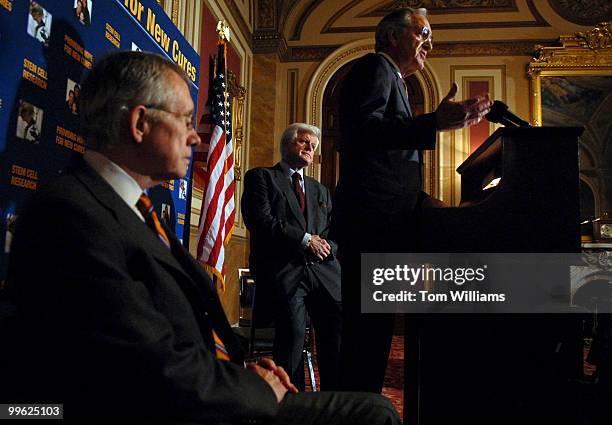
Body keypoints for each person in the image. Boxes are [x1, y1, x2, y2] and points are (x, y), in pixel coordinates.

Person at [7, 51, 400, 425]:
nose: (197, 139)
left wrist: (241, 364)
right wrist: (252, 386)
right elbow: (150, 364)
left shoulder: (137, 211)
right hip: (180, 408)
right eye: (185, 120)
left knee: (372, 408)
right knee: (374, 414)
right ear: (140, 124)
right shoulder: (71, 215)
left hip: (216, 381)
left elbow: (187, 324)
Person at [332, 7, 492, 393]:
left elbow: (387, 165)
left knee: (373, 333)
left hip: (384, 221)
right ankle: (358, 411)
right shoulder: (375, 68)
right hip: (373, 224)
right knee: (366, 336)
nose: (429, 44)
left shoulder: (396, 82)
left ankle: (363, 406)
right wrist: (432, 123)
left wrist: (425, 202)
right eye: (423, 33)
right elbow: (364, 135)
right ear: (393, 36)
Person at [241, 123, 342, 391]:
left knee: (337, 337)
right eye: (305, 142)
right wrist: (306, 240)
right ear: (287, 144)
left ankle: (333, 402)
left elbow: (333, 231)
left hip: (324, 273)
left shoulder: (320, 190)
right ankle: (293, 404)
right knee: (293, 338)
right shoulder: (261, 177)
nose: (310, 148)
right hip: (285, 272)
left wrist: (326, 245)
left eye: (314, 146)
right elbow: (261, 220)